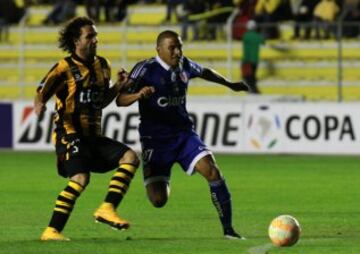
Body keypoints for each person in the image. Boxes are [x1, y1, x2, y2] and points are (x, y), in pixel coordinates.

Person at [116, 30, 249, 239]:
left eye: (180, 47)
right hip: (155, 140)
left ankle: (229, 230)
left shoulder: (184, 65)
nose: (177, 52)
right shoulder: (145, 69)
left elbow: (206, 72)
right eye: (172, 48)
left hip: (183, 134)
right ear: (159, 49)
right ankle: (158, 174)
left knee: (213, 171)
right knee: (159, 200)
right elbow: (120, 99)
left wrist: (230, 84)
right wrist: (139, 94)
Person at [34, 16, 140, 241]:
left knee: (130, 157)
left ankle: (107, 208)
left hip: (93, 135)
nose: (95, 40)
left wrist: (118, 87)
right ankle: (52, 231)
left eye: (96, 35)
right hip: (69, 131)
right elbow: (42, 90)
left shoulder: (104, 65)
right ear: (76, 41)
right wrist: (39, 104)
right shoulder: (64, 67)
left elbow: (101, 101)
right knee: (81, 178)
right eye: (90, 36)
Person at [241, 20, 264, 94]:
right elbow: (263, 42)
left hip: (246, 59)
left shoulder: (245, 35)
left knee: (248, 76)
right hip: (255, 60)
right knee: (253, 75)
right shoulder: (258, 36)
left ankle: (252, 89)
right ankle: (254, 89)